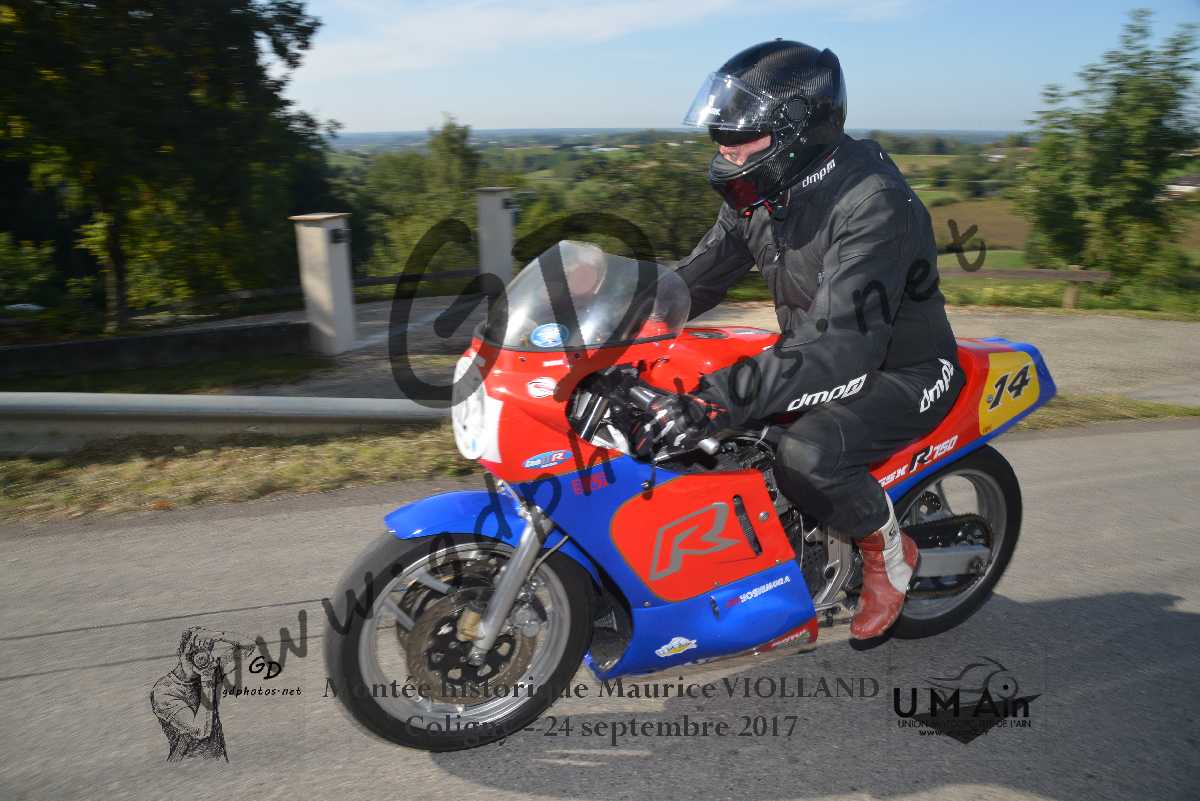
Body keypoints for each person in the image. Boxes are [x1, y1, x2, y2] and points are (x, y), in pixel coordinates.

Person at [635, 39, 964, 640]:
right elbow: (694, 280)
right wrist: (611, 318)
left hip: (902, 369)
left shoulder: (874, 204)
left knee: (806, 454)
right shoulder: (764, 193)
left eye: (742, 137)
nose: (726, 150)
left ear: (798, 131)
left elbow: (843, 346)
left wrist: (717, 399)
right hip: (818, 352)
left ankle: (890, 553)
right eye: (720, 136)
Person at [150, 626, 254, 761]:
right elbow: (200, 731)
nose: (197, 658)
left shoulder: (210, 670)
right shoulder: (164, 691)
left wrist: (217, 635)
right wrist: (206, 678)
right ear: (180, 653)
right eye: (191, 652)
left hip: (218, 762)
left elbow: (248, 645)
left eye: (203, 652)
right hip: (186, 764)